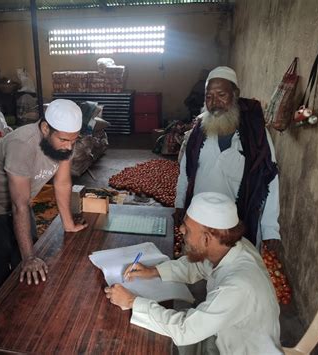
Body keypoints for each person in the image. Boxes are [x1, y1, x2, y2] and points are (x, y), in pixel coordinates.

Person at [105, 192, 283, 355]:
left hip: (236, 350)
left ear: (207, 239)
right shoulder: (234, 247)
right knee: (160, 328)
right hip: (223, 336)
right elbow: (198, 267)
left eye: (187, 229)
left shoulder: (238, 286)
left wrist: (131, 301)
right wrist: (154, 271)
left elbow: (186, 330)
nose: (181, 230)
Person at [0, 99, 88, 308]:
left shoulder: (66, 143)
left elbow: (62, 183)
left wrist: (68, 224)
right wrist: (29, 257)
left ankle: (22, 318)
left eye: (73, 140)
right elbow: (19, 205)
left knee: (31, 270)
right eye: (64, 139)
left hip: (20, 204)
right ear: (46, 128)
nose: (69, 146)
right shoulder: (22, 145)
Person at [174, 66, 280, 250]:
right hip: (199, 220)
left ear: (235, 95)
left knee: (229, 269)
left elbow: (270, 180)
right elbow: (185, 171)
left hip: (235, 223)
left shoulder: (256, 135)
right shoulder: (199, 131)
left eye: (221, 94)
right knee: (193, 268)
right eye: (208, 96)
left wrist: (270, 228)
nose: (214, 102)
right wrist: (179, 204)